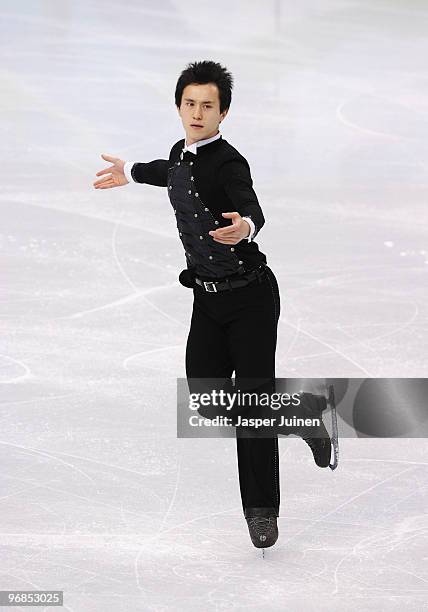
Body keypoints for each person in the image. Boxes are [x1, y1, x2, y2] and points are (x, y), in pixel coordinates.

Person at [93, 60, 337, 551]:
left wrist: (244, 226)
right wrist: (131, 172)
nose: (198, 112)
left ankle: (262, 511)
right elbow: (172, 172)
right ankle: (303, 414)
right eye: (190, 104)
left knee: (250, 409)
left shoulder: (230, 162)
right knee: (205, 395)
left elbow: (252, 206)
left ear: (223, 112)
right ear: (179, 107)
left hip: (250, 298)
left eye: (208, 105)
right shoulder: (180, 154)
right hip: (206, 300)